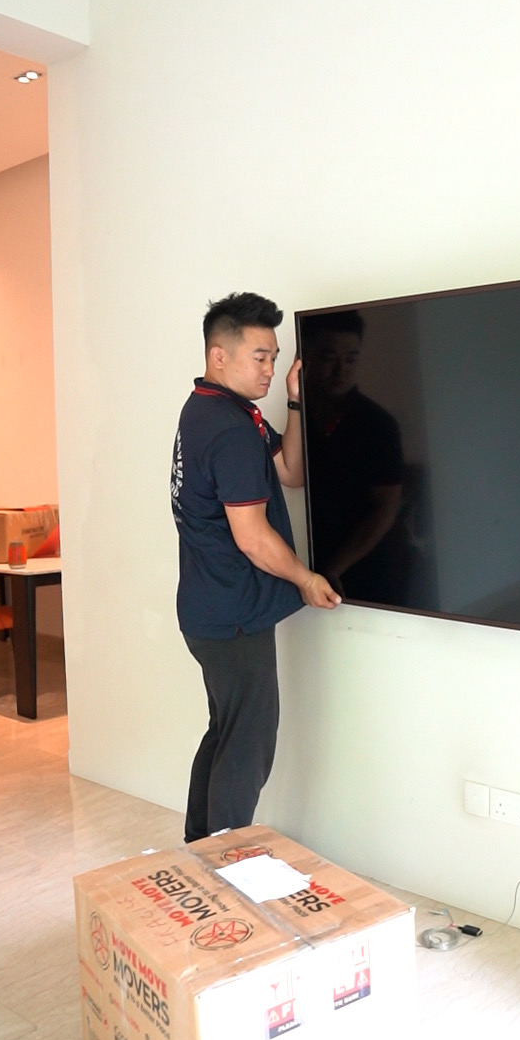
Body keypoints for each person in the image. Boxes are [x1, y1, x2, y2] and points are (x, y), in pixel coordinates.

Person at [171, 291, 339, 842]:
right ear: (219, 355)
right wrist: (305, 578)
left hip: (208, 610)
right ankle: (225, 863)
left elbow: (291, 472)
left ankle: (199, 851)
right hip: (234, 615)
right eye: (260, 357)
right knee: (248, 745)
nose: (269, 368)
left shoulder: (211, 409)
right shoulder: (229, 430)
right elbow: (252, 536)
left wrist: (295, 402)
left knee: (225, 732)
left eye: (273, 358)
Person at [303, 311, 410, 604]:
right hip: (298, 568)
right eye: (330, 358)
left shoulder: (377, 424)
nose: (341, 371)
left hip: (362, 571)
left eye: (351, 360)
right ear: (307, 353)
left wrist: (331, 570)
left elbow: (385, 509)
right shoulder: (290, 416)